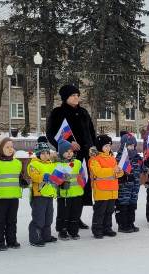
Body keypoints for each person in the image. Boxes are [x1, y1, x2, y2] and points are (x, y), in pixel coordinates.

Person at [45, 84, 97, 230]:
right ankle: (64, 219)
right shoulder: (58, 112)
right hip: (68, 157)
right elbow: (51, 134)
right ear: (65, 98)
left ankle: (76, 218)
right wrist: (67, 144)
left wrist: (93, 147)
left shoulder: (84, 112)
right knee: (67, 188)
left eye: (77, 94)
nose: (76, 97)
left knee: (80, 186)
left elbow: (91, 132)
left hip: (84, 156)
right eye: (73, 95)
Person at [0, 134, 29, 250]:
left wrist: (23, 182)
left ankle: (11, 240)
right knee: (0, 221)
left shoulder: (17, 163)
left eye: (11, 146)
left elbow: (20, 177)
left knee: (12, 220)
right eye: (7, 147)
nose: (10, 149)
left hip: (14, 197)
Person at [88, 135, 123, 239]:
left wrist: (119, 172)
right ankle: (97, 229)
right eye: (106, 146)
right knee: (100, 211)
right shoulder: (95, 159)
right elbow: (98, 172)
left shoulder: (112, 158)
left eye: (109, 146)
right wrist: (113, 170)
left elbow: (118, 174)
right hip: (101, 190)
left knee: (109, 211)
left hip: (112, 190)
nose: (108, 148)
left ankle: (107, 228)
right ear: (100, 147)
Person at [26, 137, 59, 246]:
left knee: (48, 217)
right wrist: (43, 177)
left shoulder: (51, 164)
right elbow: (34, 176)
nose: (46, 155)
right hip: (39, 195)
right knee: (39, 218)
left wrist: (62, 176)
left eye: (47, 153)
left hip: (49, 194)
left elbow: (56, 176)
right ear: (38, 154)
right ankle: (34, 238)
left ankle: (46, 236)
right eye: (43, 153)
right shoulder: (33, 164)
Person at [55, 139, 85, 240]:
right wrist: (62, 180)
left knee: (75, 213)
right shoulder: (59, 165)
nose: (69, 154)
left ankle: (73, 231)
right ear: (61, 153)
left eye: (71, 151)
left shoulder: (77, 163)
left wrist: (82, 181)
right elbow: (55, 180)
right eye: (66, 152)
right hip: (64, 195)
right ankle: (62, 231)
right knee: (64, 214)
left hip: (77, 193)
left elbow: (82, 175)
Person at [115, 132, 143, 233]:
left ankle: (130, 222)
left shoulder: (137, 157)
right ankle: (122, 224)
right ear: (123, 146)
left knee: (132, 205)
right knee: (123, 205)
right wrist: (124, 177)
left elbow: (141, 167)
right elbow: (117, 172)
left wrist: (144, 167)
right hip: (124, 187)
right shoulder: (120, 157)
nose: (131, 147)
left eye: (133, 145)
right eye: (129, 145)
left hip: (135, 186)